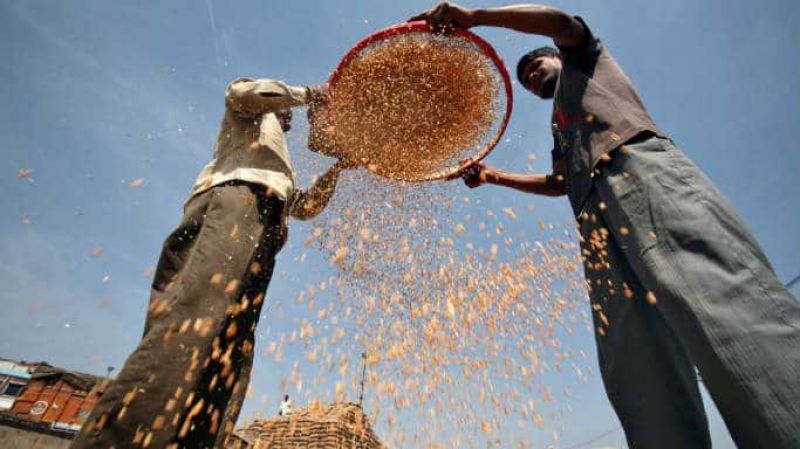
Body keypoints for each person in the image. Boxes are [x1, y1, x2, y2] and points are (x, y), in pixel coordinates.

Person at [412, 3, 800, 448]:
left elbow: (559, 22)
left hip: (638, 173)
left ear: (557, 56)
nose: (533, 76)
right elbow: (560, 183)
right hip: (593, 223)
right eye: (526, 79)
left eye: (535, 65)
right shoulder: (559, 125)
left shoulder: (587, 61)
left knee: (719, 304)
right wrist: (493, 176)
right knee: (636, 365)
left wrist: (475, 17)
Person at [71, 78, 353, 449]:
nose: (290, 118)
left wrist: (340, 169)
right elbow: (242, 92)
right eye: (284, 110)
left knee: (229, 347)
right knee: (196, 319)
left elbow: (304, 207)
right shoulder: (247, 120)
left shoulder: (280, 168)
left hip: (264, 229)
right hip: (236, 206)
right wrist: (310, 95)